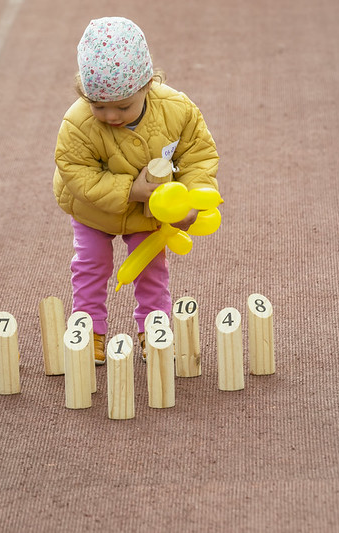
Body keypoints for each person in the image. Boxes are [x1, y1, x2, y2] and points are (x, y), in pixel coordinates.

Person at [53, 16, 219, 364]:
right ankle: (90, 328)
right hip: (94, 210)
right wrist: (131, 190)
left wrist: (192, 198)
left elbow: (198, 156)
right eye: (99, 107)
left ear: (148, 83)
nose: (111, 116)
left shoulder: (178, 110)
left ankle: (152, 328)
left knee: (151, 268)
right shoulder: (78, 123)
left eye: (123, 106)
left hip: (148, 214)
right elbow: (76, 173)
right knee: (91, 264)